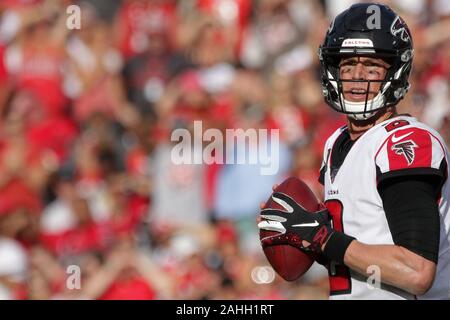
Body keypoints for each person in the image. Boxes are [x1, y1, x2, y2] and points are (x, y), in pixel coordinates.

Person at [258, 3, 450, 299]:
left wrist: (321, 237)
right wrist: (299, 231)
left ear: (395, 71)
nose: (357, 76)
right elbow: (357, 249)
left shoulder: (405, 142)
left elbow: (417, 272)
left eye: (371, 65)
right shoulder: (337, 142)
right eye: (347, 65)